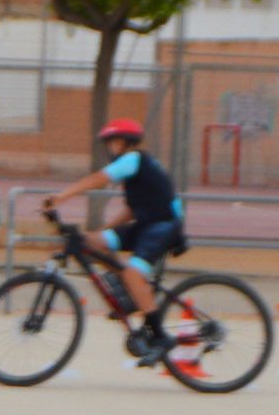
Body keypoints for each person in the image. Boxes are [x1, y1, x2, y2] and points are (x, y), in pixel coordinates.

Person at [41, 118, 188, 360]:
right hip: (147, 224)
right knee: (92, 243)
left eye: (111, 143)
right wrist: (103, 231)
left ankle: (160, 335)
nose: (110, 148)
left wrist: (61, 197)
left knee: (132, 273)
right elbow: (132, 209)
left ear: (121, 142)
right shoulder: (138, 169)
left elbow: (98, 179)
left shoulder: (133, 159)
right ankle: (130, 295)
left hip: (164, 226)